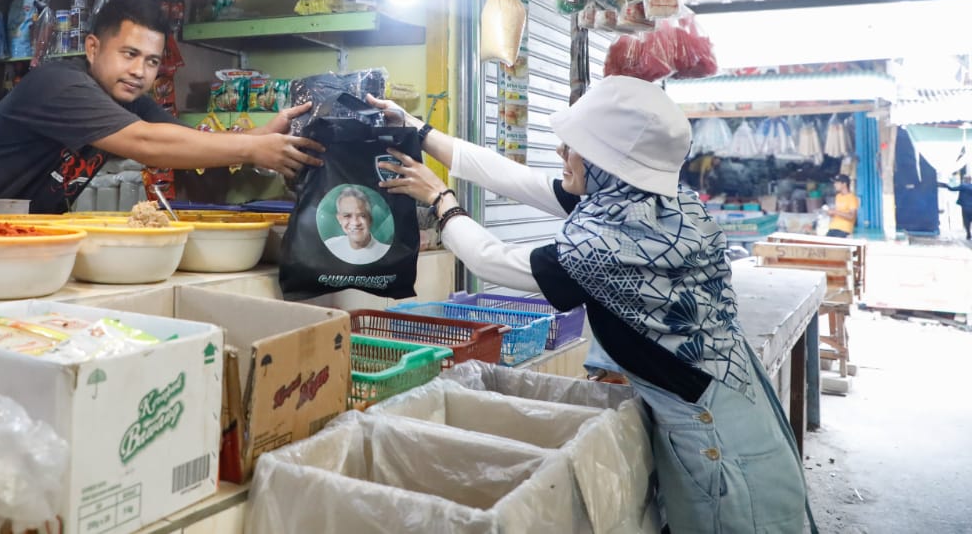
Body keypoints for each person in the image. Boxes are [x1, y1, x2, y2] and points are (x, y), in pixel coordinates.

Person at [369, 77, 813, 534]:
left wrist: (441, 201)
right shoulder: (650, 202)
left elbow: (492, 262)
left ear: (609, 164)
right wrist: (418, 131)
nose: (562, 152)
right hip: (731, 400)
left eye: (576, 145)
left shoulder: (609, 244)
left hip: (718, 443)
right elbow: (514, 178)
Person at [0, 0, 323, 213]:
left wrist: (263, 134)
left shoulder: (129, 100)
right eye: (129, 54)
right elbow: (147, 143)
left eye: (152, 61)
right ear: (93, 47)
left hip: (0, 232)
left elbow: (183, 143)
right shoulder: (59, 85)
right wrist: (251, 149)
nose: (141, 71)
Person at [324, 186, 390, 265]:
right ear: (339, 219)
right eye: (347, 216)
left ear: (370, 219)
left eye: (362, 215)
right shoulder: (330, 246)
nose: (355, 222)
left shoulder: (386, 253)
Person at [826, 173, 858, 238]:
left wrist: (835, 212)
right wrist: (831, 213)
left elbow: (852, 216)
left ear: (844, 184)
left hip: (844, 230)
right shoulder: (838, 196)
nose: (835, 185)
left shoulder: (852, 198)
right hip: (832, 228)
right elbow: (837, 212)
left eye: (837, 183)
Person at [945, 170, 972, 240]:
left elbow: (952, 189)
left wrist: (945, 185)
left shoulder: (962, 186)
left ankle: (968, 233)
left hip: (965, 207)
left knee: (966, 220)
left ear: (965, 179)